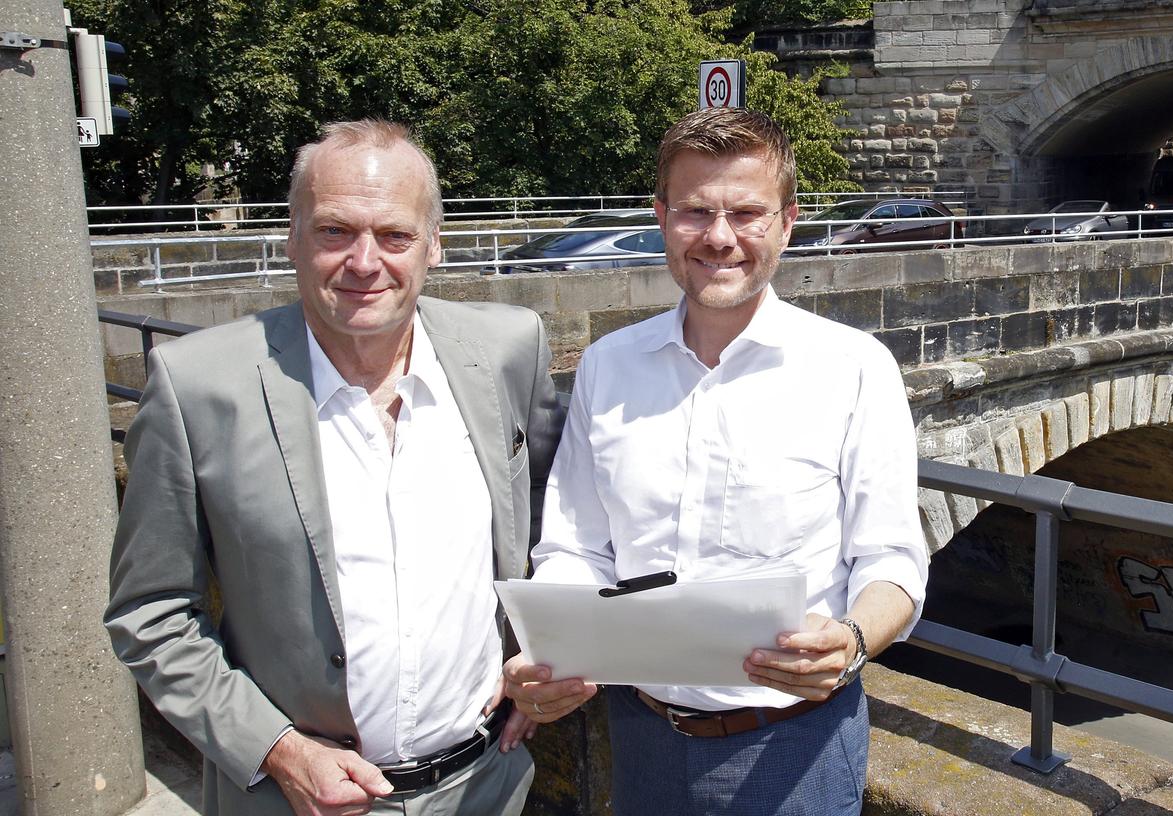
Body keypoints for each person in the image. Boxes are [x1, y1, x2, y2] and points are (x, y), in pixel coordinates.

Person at [105, 119, 562, 816]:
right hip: (299, 801)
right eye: (334, 231)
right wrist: (280, 750)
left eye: (395, 235)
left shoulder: (506, 349)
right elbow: (150, 612)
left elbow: (549, 521)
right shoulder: (198, 386)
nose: (364, 260)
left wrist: (543, 651)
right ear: (292, 238)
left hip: (487, 785)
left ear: (433, 245)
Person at [499, 107, 928, 815]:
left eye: (747, 213)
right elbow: (576, 545)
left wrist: (850, 641)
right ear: (661, 217)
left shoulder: (853, 367)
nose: (720, 238)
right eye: (696, 211)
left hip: (796, 748)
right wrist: (557, 646)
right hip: (641, 736)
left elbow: (890, 558)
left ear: (786, 222)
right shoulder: (609, 365)